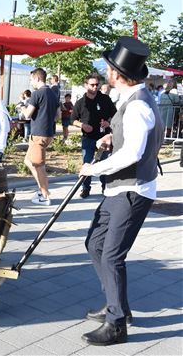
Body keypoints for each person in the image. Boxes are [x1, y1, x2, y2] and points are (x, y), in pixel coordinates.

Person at [79, 36, 163, 347]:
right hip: (119, 189)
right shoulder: (134, 99)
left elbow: (134, 154)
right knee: (95, 244)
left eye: (108, 67)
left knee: (112, 255)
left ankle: (116, 324)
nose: (104, 71)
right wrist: (110, 139)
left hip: (133, 190)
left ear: (116, 73)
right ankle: (118, 305)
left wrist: (94, 168)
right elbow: (130, 142)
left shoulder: (138, 105)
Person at [71, 73, 116, 198]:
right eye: (92, 85)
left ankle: (105, 187)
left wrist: (108, 122)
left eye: (97, 84)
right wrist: (82, 125)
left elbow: (116, 115)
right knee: (87, 163)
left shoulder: (105, 99)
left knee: (104, 163)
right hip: (88, 138)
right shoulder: (81, 102)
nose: (95, 87)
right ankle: (85, 188)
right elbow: (72, 119)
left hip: (103, 138)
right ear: (86, 85)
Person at [22, 68, 59, 206]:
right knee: (28, 162)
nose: (31, 82)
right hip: (48, 133)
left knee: (39, 166)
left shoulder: (37, 94)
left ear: (37, 79)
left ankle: (45, 196)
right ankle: (41, 189)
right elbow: (58, 116)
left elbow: (27, 114)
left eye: (31, 79)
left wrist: (22, 108)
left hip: (39, 134)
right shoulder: (53, 93)